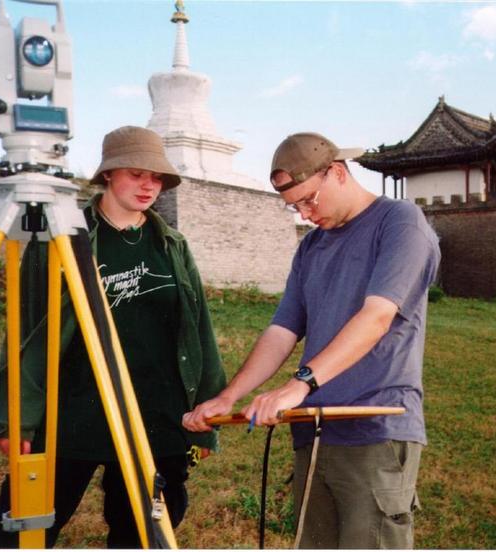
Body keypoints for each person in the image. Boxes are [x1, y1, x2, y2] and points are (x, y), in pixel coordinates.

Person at [182, 132, 440, 549]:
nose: (303, 215)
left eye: (308, 201)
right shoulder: (311, 248)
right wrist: (229, 396)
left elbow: (376, 317)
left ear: (337, 173)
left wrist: (298, 385)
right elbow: (281, 330)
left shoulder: (400, 222)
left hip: (376, 429)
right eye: (293, 207)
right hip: (314, 431)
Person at [0, 126, 226, 548]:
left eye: (158, 178)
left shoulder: (171, 244)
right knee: (20, 535)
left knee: (143, 536)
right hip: (72, 415)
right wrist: (17, 415)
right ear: (108, 174)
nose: (149, 186)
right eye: (136, 173)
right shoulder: (62, 236)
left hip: (155, 418)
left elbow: (197, 328)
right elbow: (25, 332)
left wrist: (206, 417)